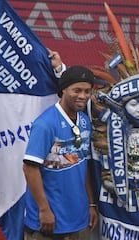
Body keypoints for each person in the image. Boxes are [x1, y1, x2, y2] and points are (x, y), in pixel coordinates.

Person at [22, 65, 99, 240]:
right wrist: (44, 209)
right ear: (64, 89)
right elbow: (29, 169)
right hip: (48, 222)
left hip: (79, 220)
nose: (83, 96)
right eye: (77, 90)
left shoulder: (85, 121)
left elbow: (83, 164)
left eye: (87, 91)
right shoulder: (45, 124)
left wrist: (91, 203)